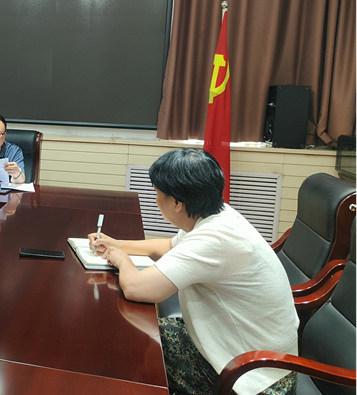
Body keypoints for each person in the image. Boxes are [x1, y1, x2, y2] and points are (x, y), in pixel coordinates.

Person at [91, 149, 297, 395]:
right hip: (243, 350)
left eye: (158, 194)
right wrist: (118, 244)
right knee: (132, 331)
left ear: (177, 203)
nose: (156, 200)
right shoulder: (218, 215)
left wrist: (121, 259)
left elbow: (136, 288)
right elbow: (168, 246)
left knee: (127, 347)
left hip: (251, 376)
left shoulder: (214, 239)